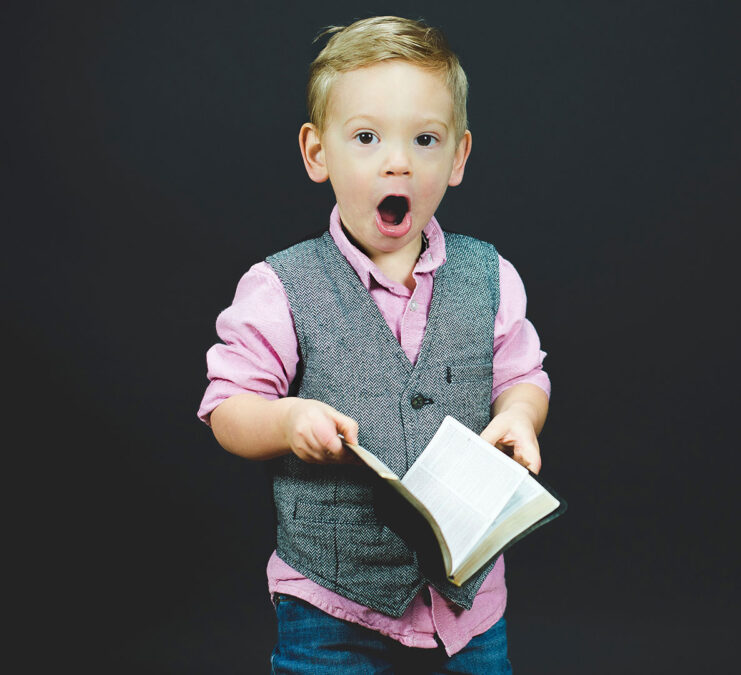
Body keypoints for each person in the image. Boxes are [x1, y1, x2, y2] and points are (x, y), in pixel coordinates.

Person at [196, 16, 550, 673]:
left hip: (467, 608)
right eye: (366, 137)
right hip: (333, 606)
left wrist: (519, 416)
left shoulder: (490, 277)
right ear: (316, 153)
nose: (398, 160)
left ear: (459, 157)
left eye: (425, 139)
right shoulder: (281, 286)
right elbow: (227, 406)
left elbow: (524, 374)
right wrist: (285, 418)